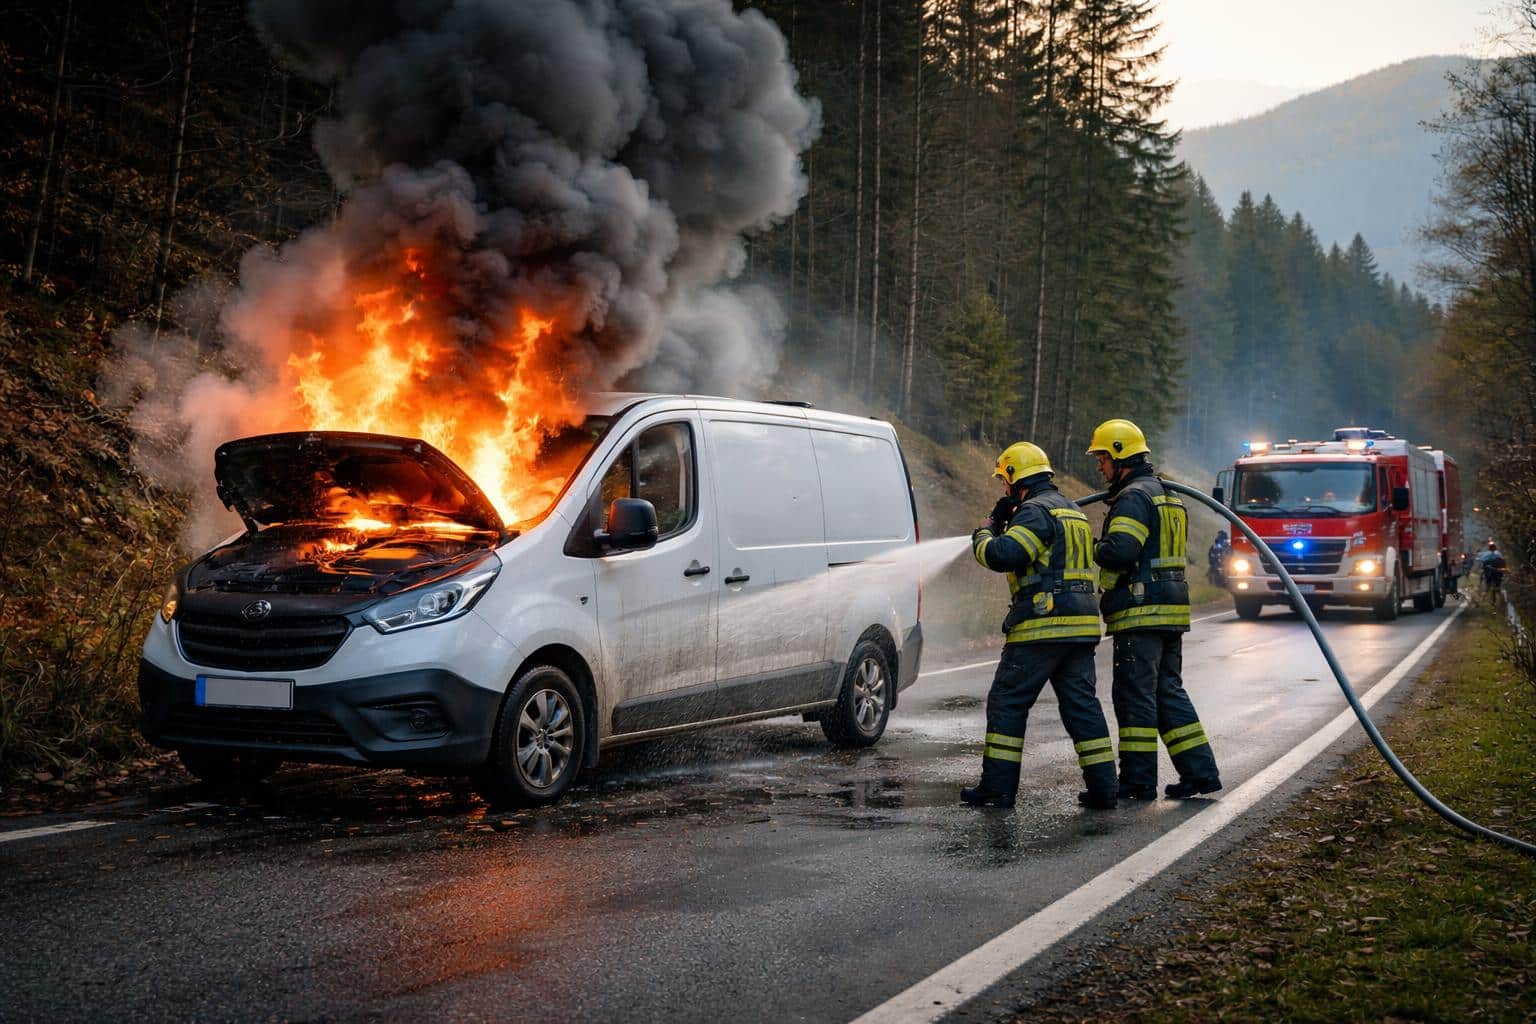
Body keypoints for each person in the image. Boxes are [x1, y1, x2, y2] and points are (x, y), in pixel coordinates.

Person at [963, 441, 1119, 811]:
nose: (1004, 489)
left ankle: (997, 791)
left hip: (1042, 625)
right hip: (1080, 627)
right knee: (1082, 708)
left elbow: (1006, 555)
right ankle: (1104, 790)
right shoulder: (1072, 510)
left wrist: (984, 532)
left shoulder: (1035, 512)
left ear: (1018, 479)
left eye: (1005, 481)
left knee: (1007, 703)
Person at [1087, 419, 1222, 800]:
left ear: (1119, 455)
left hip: (1141, 611)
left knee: (1135, 697)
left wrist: (1092, 547)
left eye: (1102, 458)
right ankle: (1200, 772)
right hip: (1170, 611)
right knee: (1167, 692)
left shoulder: (1133, 497)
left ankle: (1137, 781)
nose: (1100, 467)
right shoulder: (1165, 494)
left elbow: (1121, 550)